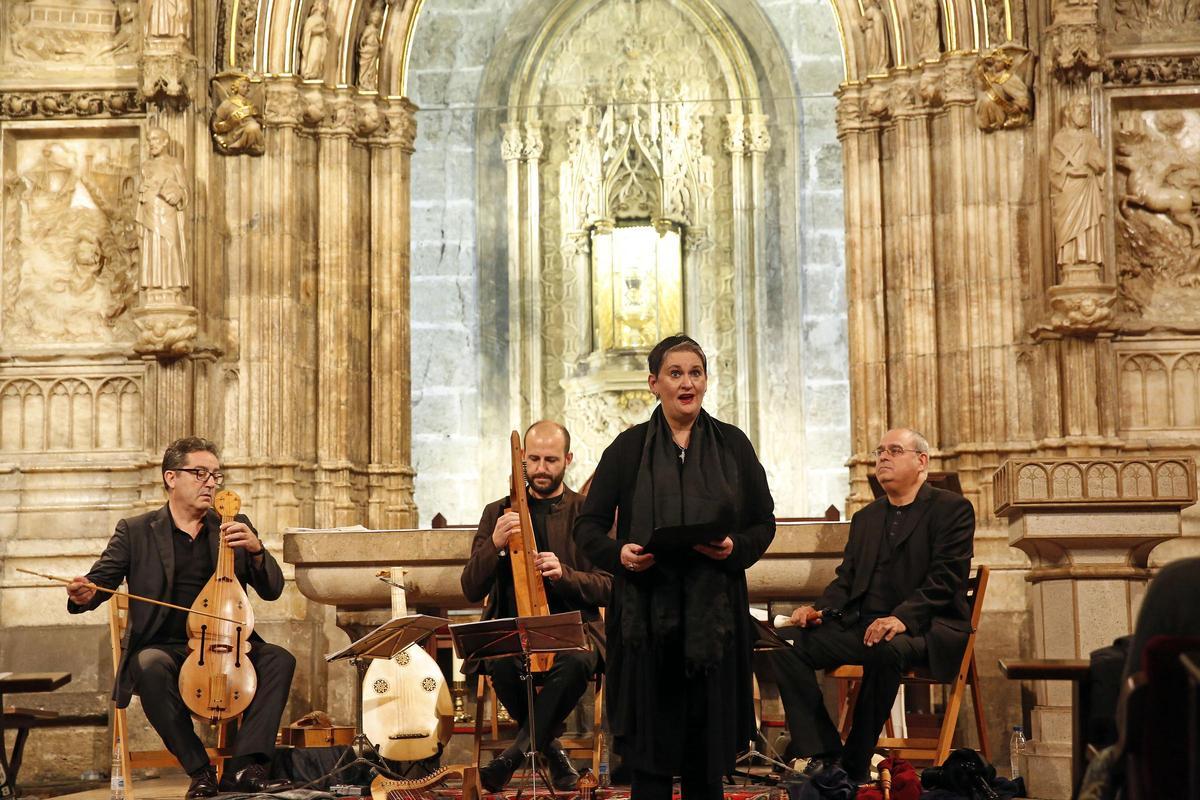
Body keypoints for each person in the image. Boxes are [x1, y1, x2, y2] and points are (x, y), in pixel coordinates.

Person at [573, 334, 776, 800]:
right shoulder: (626, 449)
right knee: (651, 759)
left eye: (696, 373)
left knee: (708, 758)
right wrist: (619, 554)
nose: (688, 383)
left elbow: (763, 522)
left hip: (715, 622)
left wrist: (734, 547)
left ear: (705, 381)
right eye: (676, 373)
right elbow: (588, 527)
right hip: (646, 620)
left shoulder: (734, 446)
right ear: (654, 383)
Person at [66, 437, 294, 800]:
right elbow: (99, 583)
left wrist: (256, 550)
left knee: (279, 659)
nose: (211, 482)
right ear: (171, 477)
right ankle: (200, 770)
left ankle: (244, 769)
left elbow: (272, 589)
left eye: (216, 475)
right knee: (149, 664)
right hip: (165, 647)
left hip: (226, 645)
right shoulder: (136, 531)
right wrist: (85, 593)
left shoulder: (232, 524)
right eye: (200, 473)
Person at [772, 428, 974, 784]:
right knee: (787, 648)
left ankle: (855, 760)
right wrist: (817, 610)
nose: (883, 457)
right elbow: (846, 580)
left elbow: (945, 580)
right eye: (880, 451)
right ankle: (824, 752)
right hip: (863, 625)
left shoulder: (951, 509)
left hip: (925, 626)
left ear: (921, 461)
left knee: (884, 647)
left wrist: (901, 618)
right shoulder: (866, 518)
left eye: (895, 450)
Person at [460, 421, 612, 792]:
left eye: (551, 459)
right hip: (511, 631)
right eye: (534, 459)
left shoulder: (587, 513)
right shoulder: (497, 511)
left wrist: (565, 575)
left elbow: (610, 586)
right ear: (522, 461)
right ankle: (552, 752)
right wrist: (494, 542)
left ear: (568, 460)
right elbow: (469, 587)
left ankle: (512, 757)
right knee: (501, 663)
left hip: (575, 633)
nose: (542, 468)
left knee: (577, 661)